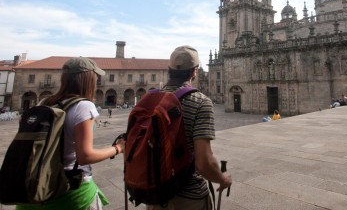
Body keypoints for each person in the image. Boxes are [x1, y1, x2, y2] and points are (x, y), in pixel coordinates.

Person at [17, 57, 126, 210]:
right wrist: (118, 148)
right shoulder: (83, 106)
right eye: (95, 77)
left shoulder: (45, 102)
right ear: (88, 79)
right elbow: (84, 156)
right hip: (68, 192)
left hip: (34, 189)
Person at [147, 45, 232, 210]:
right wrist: (222, 179)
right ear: (194, 71)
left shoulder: (150, 99)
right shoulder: (199, 101)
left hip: (155, 195)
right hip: (189, 197)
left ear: (169, 70)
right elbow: (204, 162)